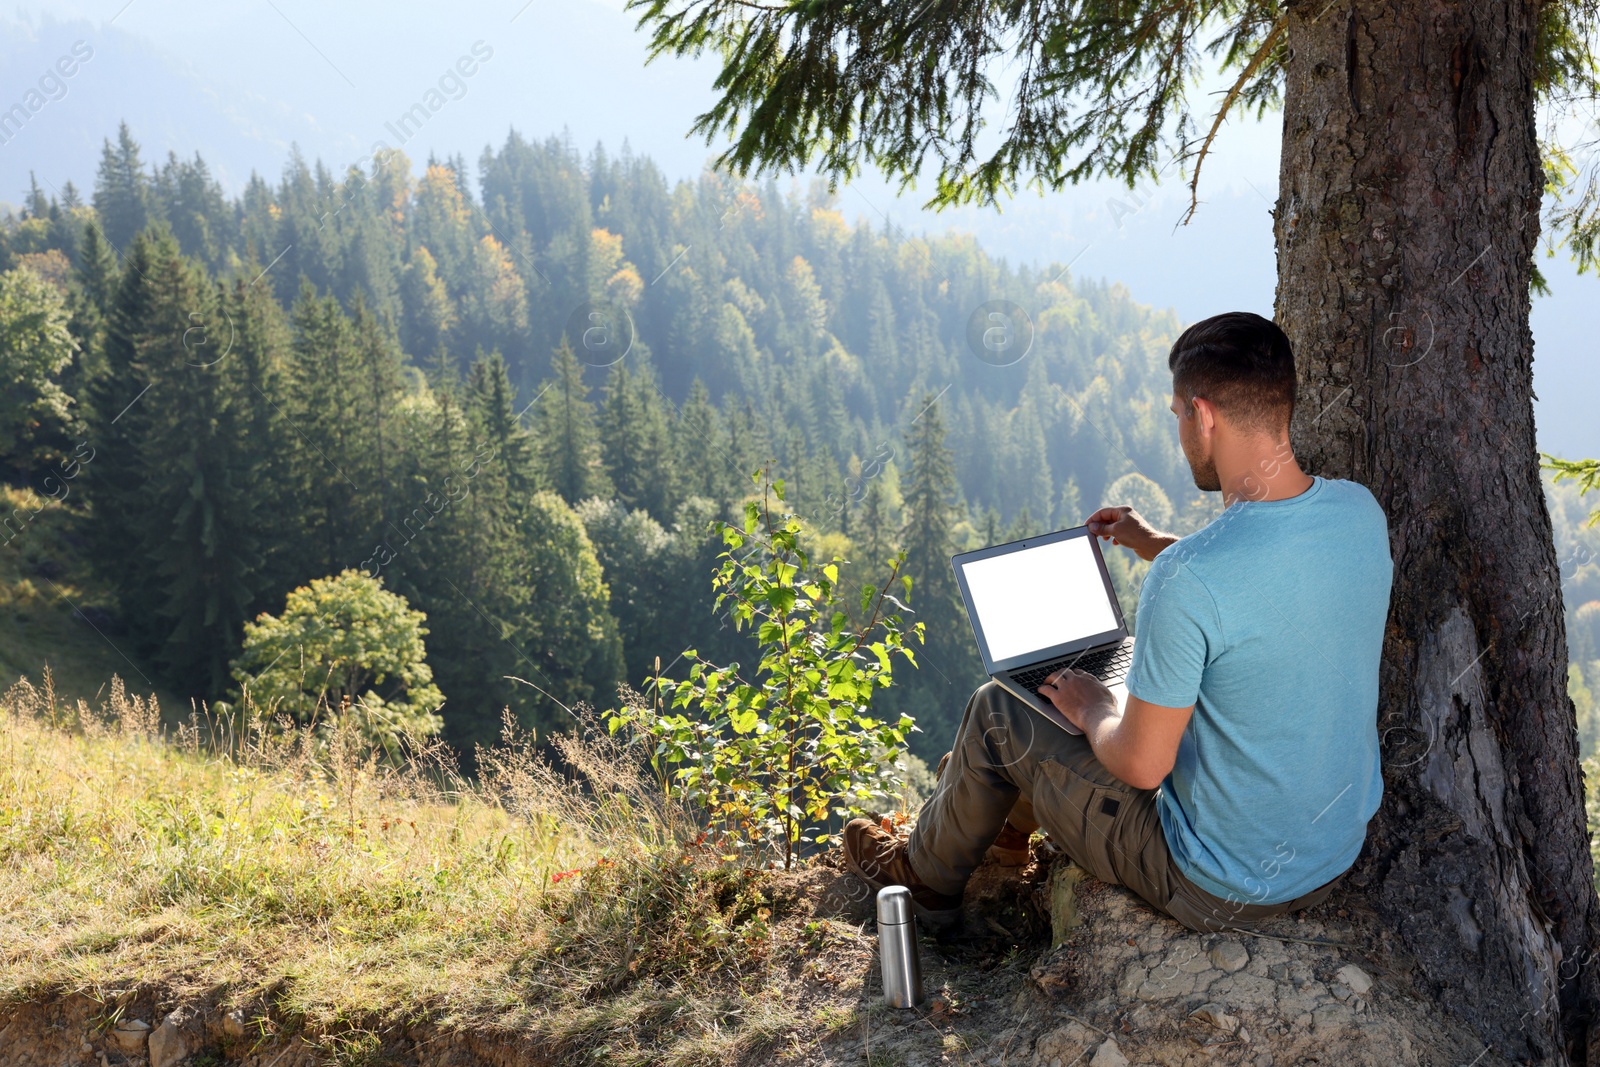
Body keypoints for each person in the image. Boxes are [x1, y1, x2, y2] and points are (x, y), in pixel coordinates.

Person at [842, 311, 1393, 933]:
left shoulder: (1188, 579)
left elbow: (1141, 768)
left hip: (1220, 884)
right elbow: (1271, 578)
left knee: (999, 707)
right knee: (1069, 703)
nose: (1182, 430)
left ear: (1204, 415)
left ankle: (921, 889)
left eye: (1179, 414)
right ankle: (1000, 839)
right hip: (1328, 855)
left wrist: (1094, 707)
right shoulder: (1357, 513)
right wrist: (1155, 541)